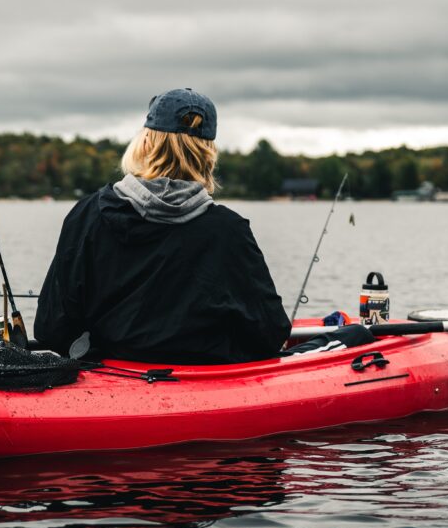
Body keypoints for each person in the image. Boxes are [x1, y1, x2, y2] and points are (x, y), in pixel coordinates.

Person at [34, 88, 292, 364]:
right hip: (204, 386)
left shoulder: (87, 215)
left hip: (111, 381)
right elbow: (270, 333)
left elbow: (52, 329)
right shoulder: (229, 231)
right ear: (208, 154)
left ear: (145, 143)